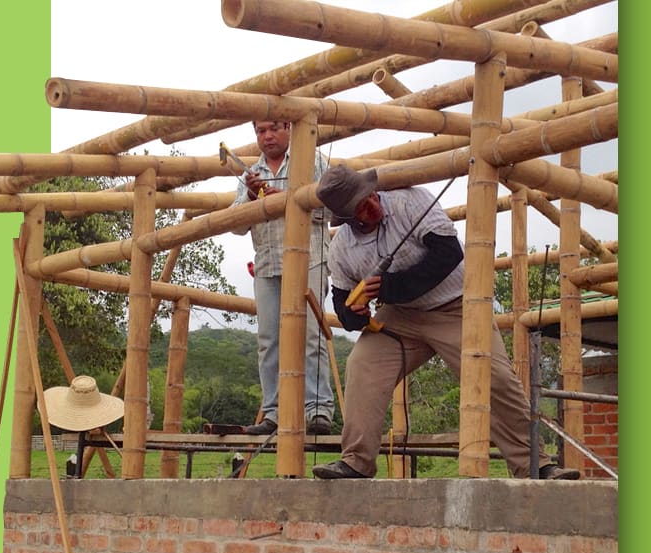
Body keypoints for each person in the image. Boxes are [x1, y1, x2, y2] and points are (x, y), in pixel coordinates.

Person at [310, 165, 580, 480]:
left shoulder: (411, 200)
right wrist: (354, 315)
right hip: (400, 317)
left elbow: (447, 254)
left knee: (497, 380)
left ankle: (536, 466)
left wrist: (389, 287)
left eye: (369, 196)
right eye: (361, 207)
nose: (372, 205)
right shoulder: (342, 248)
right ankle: (356, 462)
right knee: (362, 365)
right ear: (346, 218)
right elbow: (342, 303)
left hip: (458, 307)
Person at [229, 120, 335, 436]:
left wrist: (289, 200)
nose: (268, 135)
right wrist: (250, 197)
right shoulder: (251, 174)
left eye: (274, 128)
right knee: (268, 341)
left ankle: (318, 411)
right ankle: (273, 413)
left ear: (289, 128)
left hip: (310, 261)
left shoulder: (313, 161)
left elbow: (333, 208)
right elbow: (235, 223)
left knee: (311, 335)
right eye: (261, 131)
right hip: (268, 264)